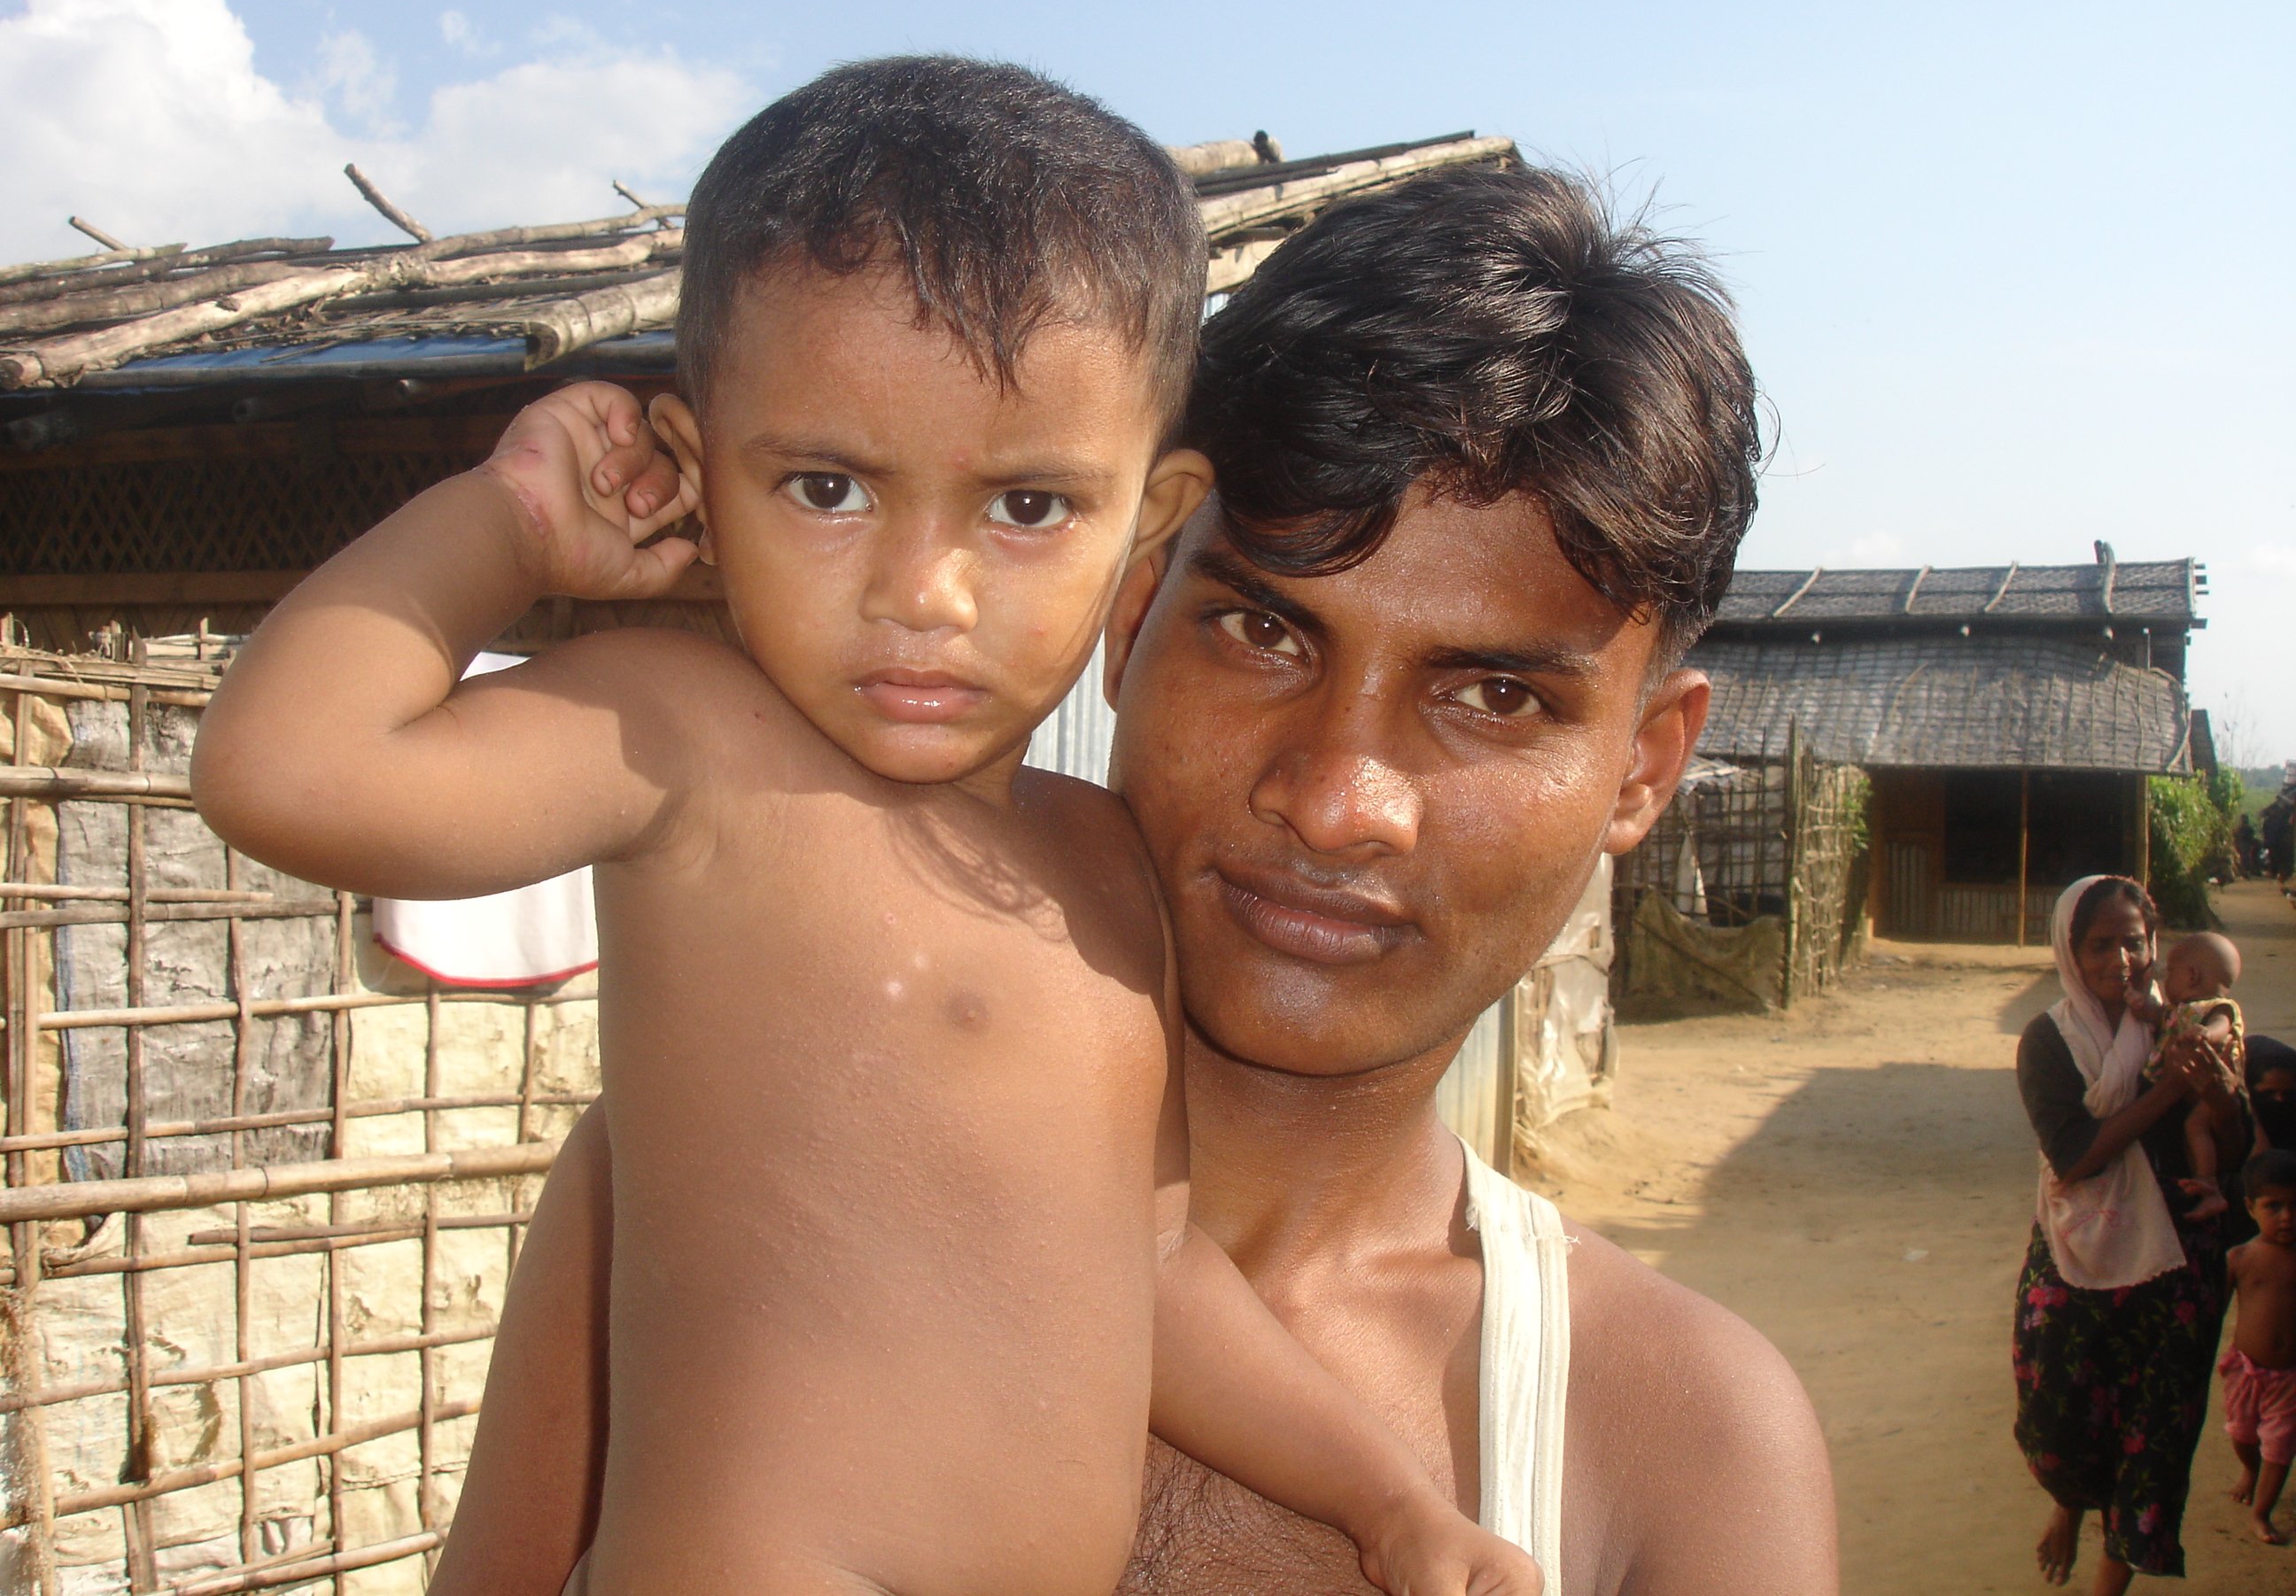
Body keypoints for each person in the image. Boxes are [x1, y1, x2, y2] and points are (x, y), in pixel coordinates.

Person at [191, 58, 1539, 1596]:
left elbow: (1155, 1272)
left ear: (1148, 526)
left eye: (1025, 507)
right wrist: (507, 524)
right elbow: (286, 771)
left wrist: (1390, 1503)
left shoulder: (1107, 867)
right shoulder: (683, 742)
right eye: (827, 485)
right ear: (703, 474)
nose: (925, 592)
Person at [422, 162, 1839, 1596]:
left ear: (1646, 768)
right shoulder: (699, 1181)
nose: (1338, 800)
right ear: (1134, 609)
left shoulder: (1681, 1450)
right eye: (1261, 632)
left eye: (1492, 696)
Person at [2013, 875, 2251, 1592]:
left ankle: (2110, 1577)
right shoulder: (2049, 1043)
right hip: (2075, 1253)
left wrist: (2213, 1088)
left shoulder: (2186, 1021)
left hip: (2177, 1266)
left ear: (2157, 944)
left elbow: (2235, 1144)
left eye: (2135, 942)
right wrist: (2171, 1091)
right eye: (2100, 945)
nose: (2122, 960)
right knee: (2062, 1427)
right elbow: (2077, 1155)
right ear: (2070, 951)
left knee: (2153, 1442)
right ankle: (2069, 1504)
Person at [2136, 931, 2246, 1220]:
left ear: (2192, 976)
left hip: (2211, 1088)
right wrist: (2140, 1005)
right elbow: (2159, 1015)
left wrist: (2206, 1033)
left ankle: (2209, 1187)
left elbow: (2223, 1025)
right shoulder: (2180, 1010)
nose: (2165, 980)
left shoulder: (2216, 1007)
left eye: (2171, 973)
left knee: (2195, 1128)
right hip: (2193, 1088)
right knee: (2190, 1132)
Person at [2222, 1148, 2296, 1546]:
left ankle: (2262, 1512)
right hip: (2245, 1369)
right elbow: (2213, 1310)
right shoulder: (2240, 1258)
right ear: (2251, 1207)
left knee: (2280, 1446)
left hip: (2291, 1378)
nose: (2287, 1216)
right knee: (2242, 1434)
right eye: (2274, 1206)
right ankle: (2248, 1470)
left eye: (2295, 1206)